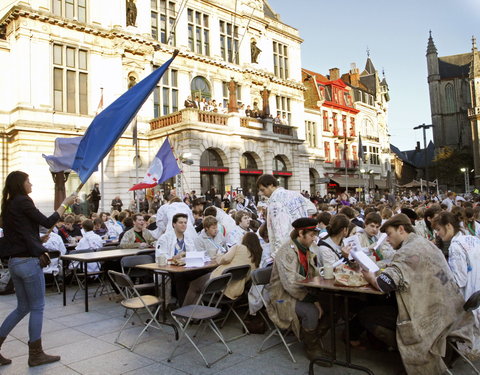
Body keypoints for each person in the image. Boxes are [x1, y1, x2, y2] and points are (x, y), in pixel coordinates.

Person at [361, 214, 471, 374]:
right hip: (450, 314)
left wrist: (371, 277)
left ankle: (412, 351)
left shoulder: (408, 251)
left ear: (401, 229)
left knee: (367, 315)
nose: (388, 240)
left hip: (428, 321)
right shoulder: (423, 243)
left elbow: (384, 284)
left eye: (389, 234)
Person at [0, 171, 75, 367]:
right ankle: (36, 354)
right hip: (28, 262)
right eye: (28, 180)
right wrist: (65, 203)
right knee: (37, 307)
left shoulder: (8, 204)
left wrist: (36, 240)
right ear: (20, 184)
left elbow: (19, 234)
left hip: (15, 262)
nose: (31, 183)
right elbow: (49, 222)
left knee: (22, 307)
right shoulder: (24, 201)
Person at [266, 217, 330, 362]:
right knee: (311, 310)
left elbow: (310, 275)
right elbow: (290, 284)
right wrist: (313, 301)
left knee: (332, 303)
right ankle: (312, 347)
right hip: (281, 297)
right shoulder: (286, 251)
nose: (314, 239)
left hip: (298, 293)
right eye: (312, 235)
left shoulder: (305, 249)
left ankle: (312, 336)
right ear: (301, 233)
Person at [432, 211, 480, 356]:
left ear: (448, 226)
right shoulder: (472, 239)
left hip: (466, 303)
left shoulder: (456, 246)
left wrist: (438, 272)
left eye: (439, 229)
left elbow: (458, 280)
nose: (438, 234)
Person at [183, 231, 262, 306]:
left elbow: (224, 259)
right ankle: (194, 314)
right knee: (199, 285)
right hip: (235, 290)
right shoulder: (257, 256)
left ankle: (185, 315)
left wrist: (218, 256)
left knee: (194, 285)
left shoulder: (238, 247)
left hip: (220, 284)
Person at [256, 174, 316, 259]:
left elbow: (280, 233)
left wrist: (277, 256)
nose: (262, 193)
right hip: (303, 243)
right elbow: (312, 209)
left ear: (271, 185)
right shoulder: (294, 194)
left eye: (263, 190)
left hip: (288, 250)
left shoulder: (275, 202)